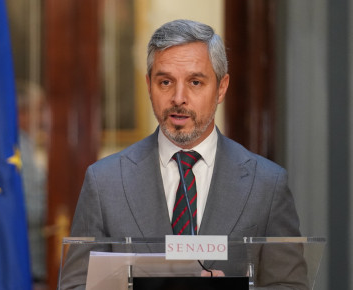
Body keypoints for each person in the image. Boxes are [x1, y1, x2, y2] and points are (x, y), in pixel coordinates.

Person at [60, 19, 306, 289]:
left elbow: (289, 285)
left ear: (221, 88)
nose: (179, 98)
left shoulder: (267, 184)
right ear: (148, 85)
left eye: (195, 82)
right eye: (165, 82)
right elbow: (76, 285)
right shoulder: (104, 181)